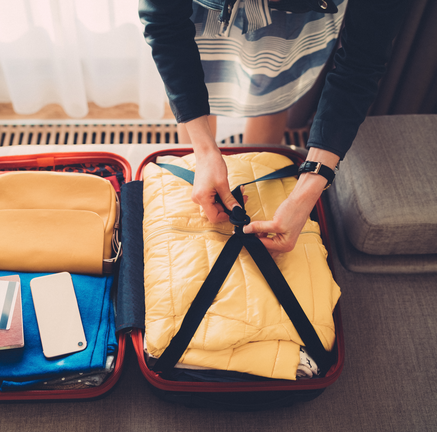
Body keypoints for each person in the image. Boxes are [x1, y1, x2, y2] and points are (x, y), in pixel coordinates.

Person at [139, 0, 410, 252]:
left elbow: (362, 61)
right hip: (201, 16)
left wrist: (305, 194)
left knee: (272, 98)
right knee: (198, 94)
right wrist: (204, 152)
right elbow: (164, 24)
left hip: (292, 29)